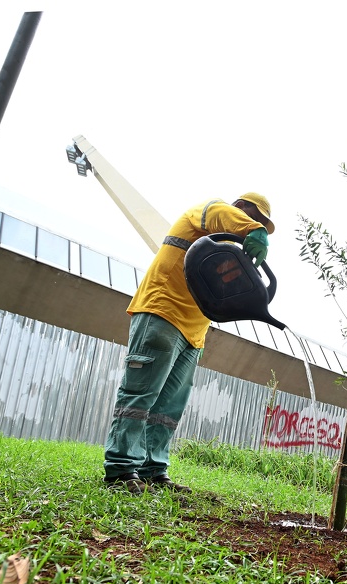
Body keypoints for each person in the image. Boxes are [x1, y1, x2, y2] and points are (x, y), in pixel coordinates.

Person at [103, 193, 274, 495]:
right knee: (140, 394)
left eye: (259, 222)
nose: (255, 224)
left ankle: (153, 470)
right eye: (254, 217)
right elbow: (222, 214)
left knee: (168, 407)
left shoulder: (225, 254)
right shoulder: (208, 212)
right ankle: (120, 469)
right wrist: (255, 232)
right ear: (241, 208)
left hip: (194, 332)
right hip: (162, 311)